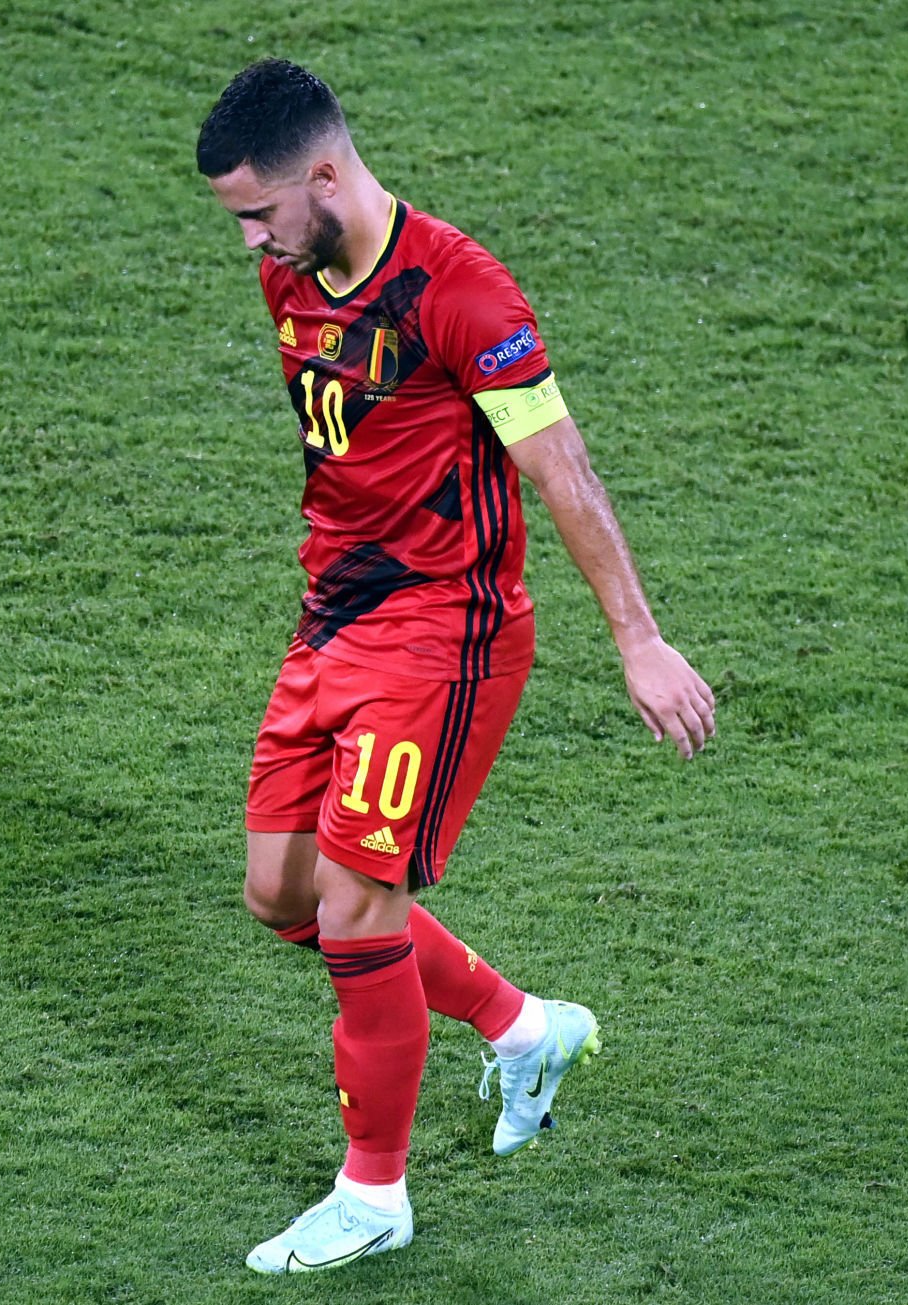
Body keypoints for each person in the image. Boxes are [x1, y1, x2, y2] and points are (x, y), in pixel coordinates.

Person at [195, 59, 718, 1274]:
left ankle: (373, 1194)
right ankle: (522, 1028)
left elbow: (559, 469)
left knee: (355, 907)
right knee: (280, 896)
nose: (250, 243)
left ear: (324, 176)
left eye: (259, 213)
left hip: (443, 636)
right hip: (331, 621)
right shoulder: (293, 274)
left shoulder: (460, 291)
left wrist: (636, 638)